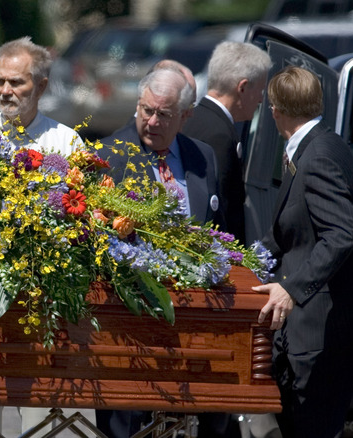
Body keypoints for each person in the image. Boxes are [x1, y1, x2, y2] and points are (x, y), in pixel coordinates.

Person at [0, 36, 84, 437]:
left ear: (43, 87)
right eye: (0, 82)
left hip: (46, 304)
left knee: (46, 416)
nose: (5, 91)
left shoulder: (67, 143)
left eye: (17, 83)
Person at [95, 68, 223, 438]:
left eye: (163, 115)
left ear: (185, 116)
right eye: (145, 109)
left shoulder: (204, 158)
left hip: (193, 327)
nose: (151, 121)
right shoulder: (107, 156)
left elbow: (222, 230)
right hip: (128, 325)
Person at [253, 66, 353, 438]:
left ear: (274, 110)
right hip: (315, 332)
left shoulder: (317, 156)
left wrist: (292, 288)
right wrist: (239, 259)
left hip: (318, 336)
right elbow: (294, 232)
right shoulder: (324, 143)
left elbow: (340, 234)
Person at [182, 41, 272, 244]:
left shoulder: (192, 118)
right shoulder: (220, 135)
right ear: (243, 87)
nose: (260, 100)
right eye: (260, 91)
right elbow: (219, 210)